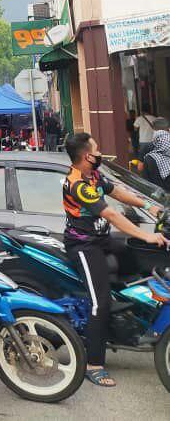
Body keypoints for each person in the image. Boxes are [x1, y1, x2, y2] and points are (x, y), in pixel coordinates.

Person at [62, 132, 167, 387]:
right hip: (84, 246)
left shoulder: (93, 175)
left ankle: (125, 318)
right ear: (87, 156)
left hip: (102, 239)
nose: (100, 153)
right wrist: (146, 235)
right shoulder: (78, 185)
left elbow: (116, 192)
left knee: (136, 262)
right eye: (96, 150)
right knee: (100, 304)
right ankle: (94, 364)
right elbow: (112, 214)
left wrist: (149, 206)